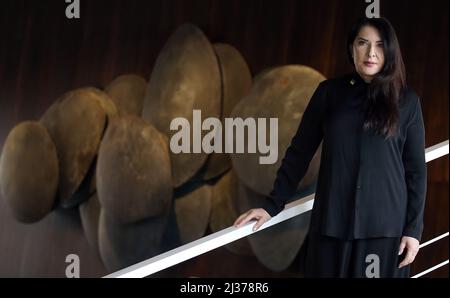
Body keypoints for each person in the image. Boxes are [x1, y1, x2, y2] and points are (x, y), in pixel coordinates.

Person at [233, 17, 427, 278]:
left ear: (390, 51)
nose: (371, 53)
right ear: (351, 48)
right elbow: (299, 153)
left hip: (384, 233)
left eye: (380, 45)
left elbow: (416, 172)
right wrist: (272, 205)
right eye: (363, 43)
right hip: (331, 228)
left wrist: (413, 231)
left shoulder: (407, 102)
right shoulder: (329, 94)